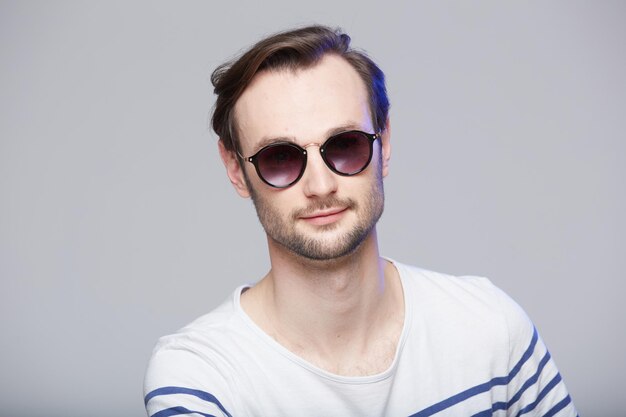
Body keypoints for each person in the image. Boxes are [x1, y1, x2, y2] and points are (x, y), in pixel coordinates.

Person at [143, 25, 577, 417]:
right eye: (280, 157)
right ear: (236, 169)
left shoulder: (491, 330)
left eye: (345, 145)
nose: (320, 185)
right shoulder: (202, 378)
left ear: (384, 143)